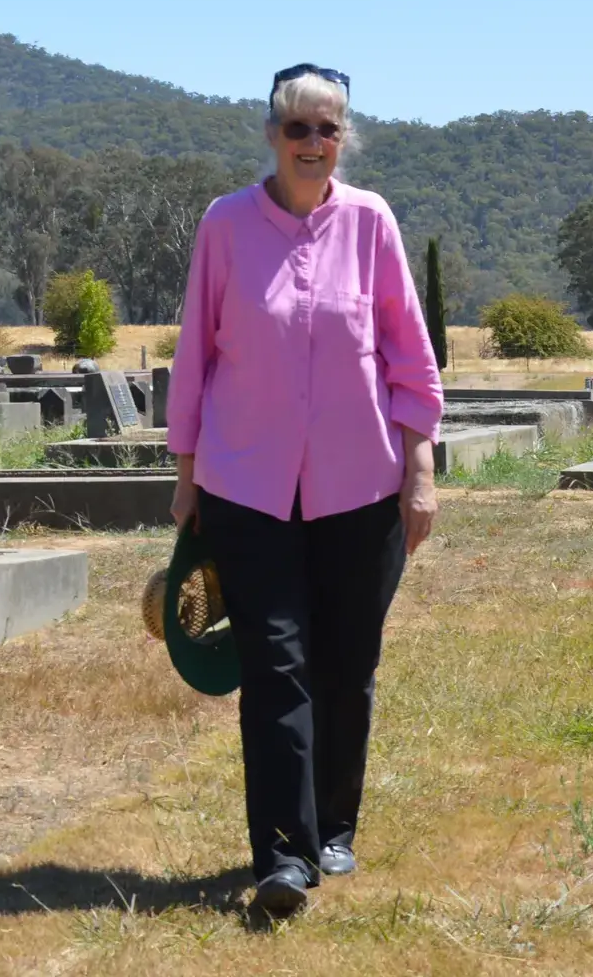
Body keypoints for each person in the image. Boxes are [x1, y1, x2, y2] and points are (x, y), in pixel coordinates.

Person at [165, 63, 443, 920]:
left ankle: (333, 826)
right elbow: (194, 355)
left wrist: (421, 466)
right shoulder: (225, 225)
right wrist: (185, 474)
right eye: (299, 130)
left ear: (344, 138)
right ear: (271, 136)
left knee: (345, 663)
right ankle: (282, 856)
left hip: (361, 486)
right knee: (277, 667)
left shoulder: (372, 222)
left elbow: (407, 350)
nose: (315, 144)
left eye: (330, 130)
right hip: (247, 485)